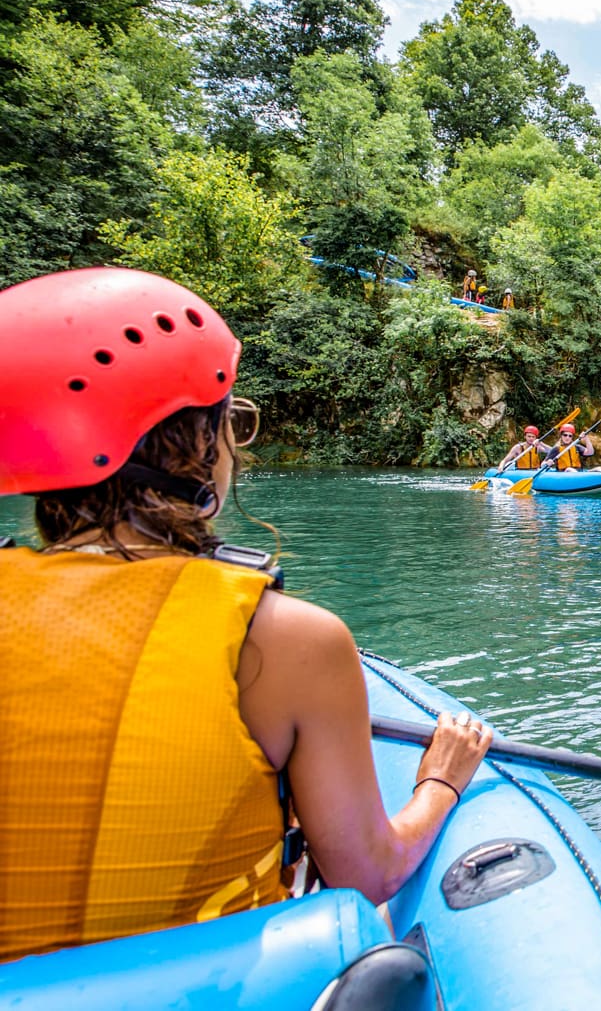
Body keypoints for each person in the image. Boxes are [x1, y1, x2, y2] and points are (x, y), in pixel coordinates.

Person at [0, 268, 491, 962]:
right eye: (231, 421)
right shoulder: (292, 640)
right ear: (200, 444)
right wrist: (440, 781)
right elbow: (367, 871)